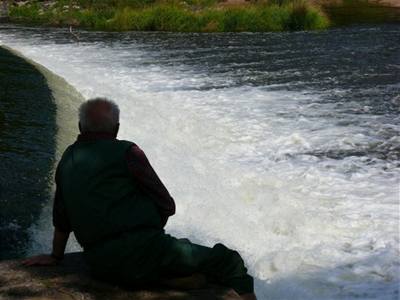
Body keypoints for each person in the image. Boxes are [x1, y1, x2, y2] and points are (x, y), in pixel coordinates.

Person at [22, 98, 257, 300]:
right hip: (143, 252)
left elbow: (62, 218)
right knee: (228, 261)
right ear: (116, 128)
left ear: (80, 126)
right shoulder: (128, 152)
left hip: (100, 264)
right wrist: (152, 231)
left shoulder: (66, 160)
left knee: (172, 253)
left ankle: (168, 277)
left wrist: (55, 256)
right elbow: (166, 203)